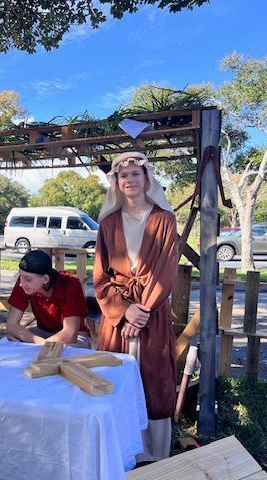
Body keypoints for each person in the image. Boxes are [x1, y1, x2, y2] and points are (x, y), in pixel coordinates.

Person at [93, 151, 178, 463]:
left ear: (147, 178)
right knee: (115, 377)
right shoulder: (108, 224)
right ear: (116, 182)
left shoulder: (164, 220)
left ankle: (153, 454)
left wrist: (141, 312)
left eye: (135, 174)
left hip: (151, 314)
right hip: (117, 317)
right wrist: (123, 311)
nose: (129, 180)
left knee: (153, 379)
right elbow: (101, 276)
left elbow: (166, 269)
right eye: (123, 175)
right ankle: (120, 450)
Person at [6, 250, 91, 348]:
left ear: (45, 279)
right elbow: (11, 325)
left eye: (28, 279)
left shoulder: (71, 283)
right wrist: (40, 343)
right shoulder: (24, 283)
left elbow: (70, 334)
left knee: (67, 351)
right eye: (20, 276)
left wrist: (42, 345)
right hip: (42, 332)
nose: (21, 283)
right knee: (9, 340)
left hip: (75, 336)